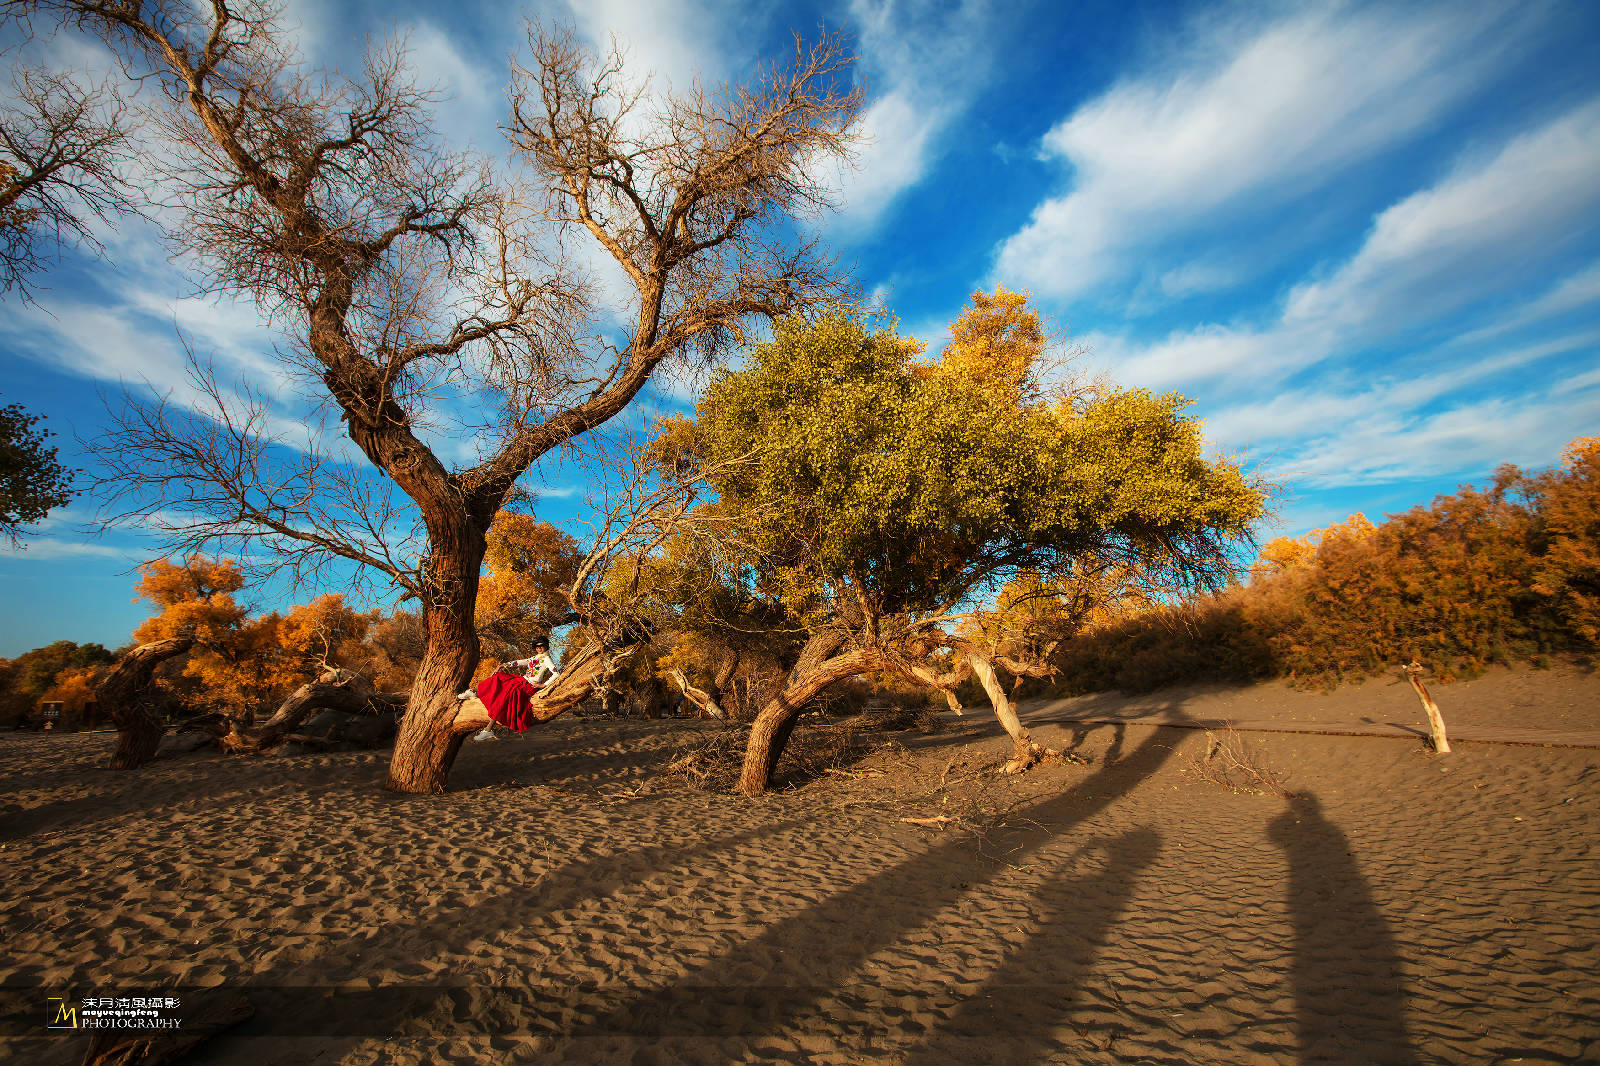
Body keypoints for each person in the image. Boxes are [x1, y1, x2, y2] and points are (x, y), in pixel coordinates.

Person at [464, 638, 561, 741]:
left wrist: (543, 685)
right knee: (499, 677)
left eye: (541, 645)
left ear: (546, 646)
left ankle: (488, 730)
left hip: (529, 686)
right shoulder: (535, 657)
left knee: (506, 696)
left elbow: (556, 674)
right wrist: (502, 665)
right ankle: (474, 691)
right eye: (537, 646)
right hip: (522, 680)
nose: (539, 648)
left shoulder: (547, 659)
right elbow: (519, 662)